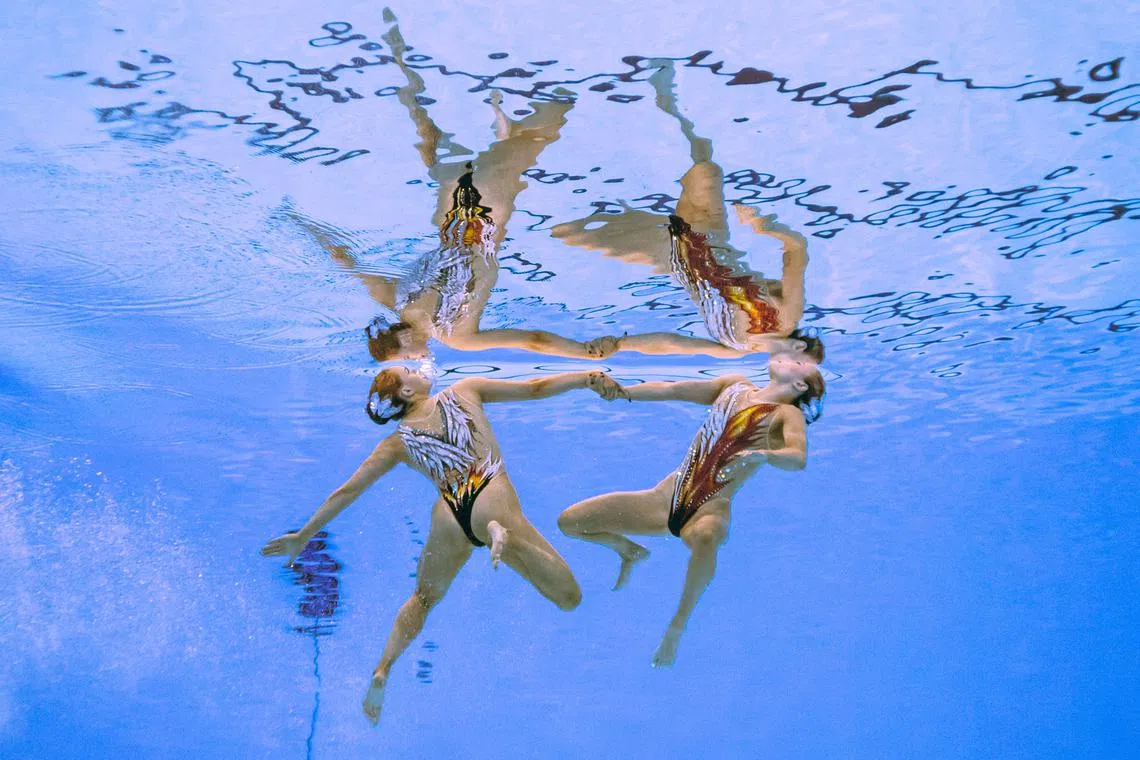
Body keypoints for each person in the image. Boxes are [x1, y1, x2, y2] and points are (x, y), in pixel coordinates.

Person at [262, 366, 628, 724]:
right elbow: (534, 388)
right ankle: (501, 534)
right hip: (489, 495)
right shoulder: (464, 391)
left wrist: (303, 536)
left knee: (422, 598)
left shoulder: (396, 444)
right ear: (406, 392)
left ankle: (383, 669)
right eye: (409, 371)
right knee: (570, 597)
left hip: (449, 514)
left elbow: (349, 490)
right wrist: (586, 378)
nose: (418, 370)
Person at [283, 10, 621, 362]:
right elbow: (343, 258)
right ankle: (405, 68)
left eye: (408, 359)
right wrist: (300, 223)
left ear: (402, 343)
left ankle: (563, 40)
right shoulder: (391, 296)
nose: (417, 359)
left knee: (554, 113)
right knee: (438, 147)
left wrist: (585, 352)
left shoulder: (457, 336)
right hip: (449, 211)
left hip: (489, 212)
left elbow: (533, 339)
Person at [557, 356, 824, 666]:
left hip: (709, 508)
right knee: (570, 522)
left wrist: (762, 455)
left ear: (799, 384)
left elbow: (797, 457)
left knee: (707, 537)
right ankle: (628, 550)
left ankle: (676, 627)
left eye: (800, 361)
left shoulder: (787, 413)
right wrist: (624, 391)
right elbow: (674, 390)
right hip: (663, 500)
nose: (790, 353)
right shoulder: (733, 385)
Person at [553, 60, 820, 362]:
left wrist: (621, 344)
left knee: (565, 232)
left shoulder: (735, 350)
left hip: (669, 255)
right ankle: (666, 97)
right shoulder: (786, 318)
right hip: (706, 234)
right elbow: (797, 248)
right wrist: (765, 226)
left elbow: (676, 344)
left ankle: (560, 110)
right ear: (800, 348)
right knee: (706, 169)